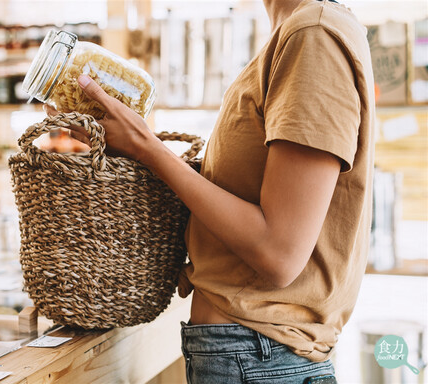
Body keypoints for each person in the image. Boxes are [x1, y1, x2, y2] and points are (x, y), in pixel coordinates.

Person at [46, 0, 375, 382]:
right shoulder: (297, 31)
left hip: (257, 357)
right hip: (248, 354)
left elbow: (279, 252)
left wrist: (146, 147)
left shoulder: (312, 34)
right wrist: (139, 148)